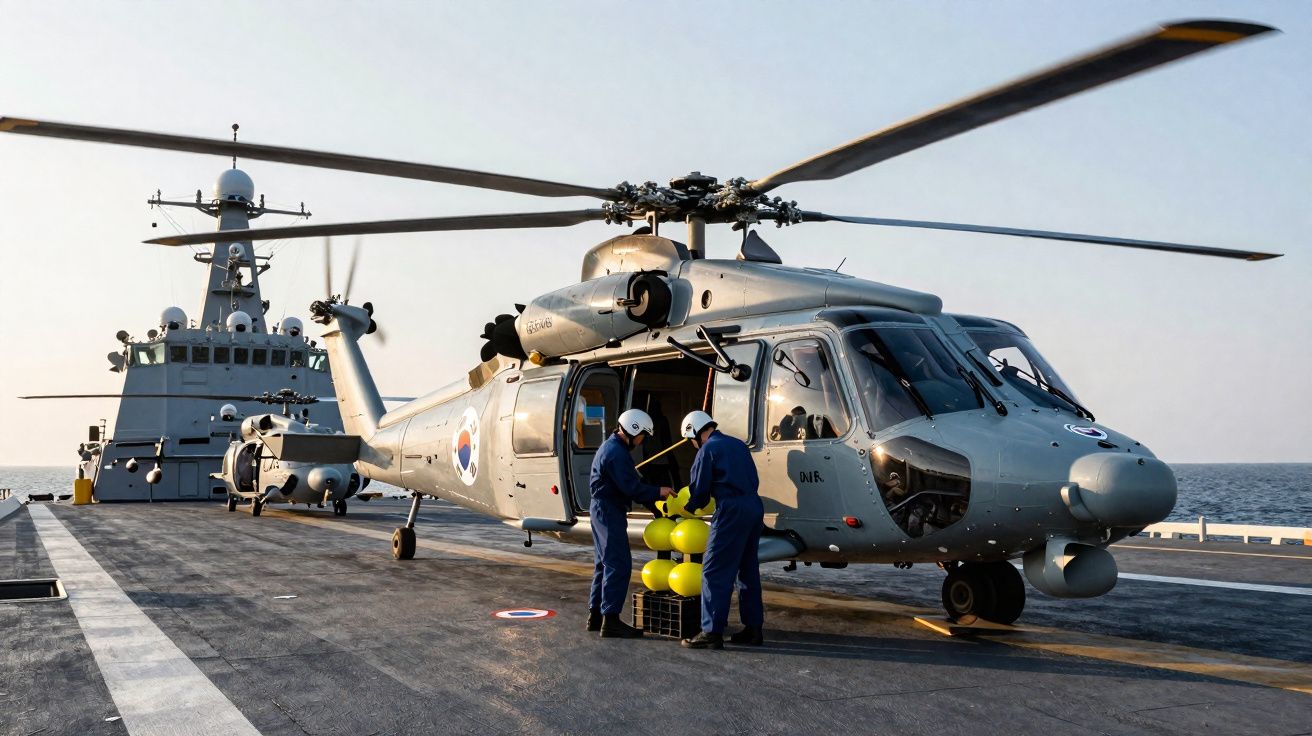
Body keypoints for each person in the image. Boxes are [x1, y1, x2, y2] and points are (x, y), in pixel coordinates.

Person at [678, 410, 765, 650]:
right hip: (754, 506)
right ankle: (753, 629)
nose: (693, 445)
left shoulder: (708, 449)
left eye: (691, 441)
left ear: (695, 433)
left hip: (731, 510)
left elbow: (700, 489)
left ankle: (711, 632)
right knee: (747, 569)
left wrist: (689, 505)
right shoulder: (737, 444)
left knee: (714, 571)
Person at [587, 408, 674, 638]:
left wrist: (654, 508)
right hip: (608, 511)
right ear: (634, 430)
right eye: (643, 435)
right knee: (618, 564)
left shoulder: (613, 448)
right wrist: (660, 492)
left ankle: (596, 616)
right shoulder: (616, 452)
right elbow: (632, 488)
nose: (642, 439)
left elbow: (632, 482)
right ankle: (611, 621)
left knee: (603, 564)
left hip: (603, 510)